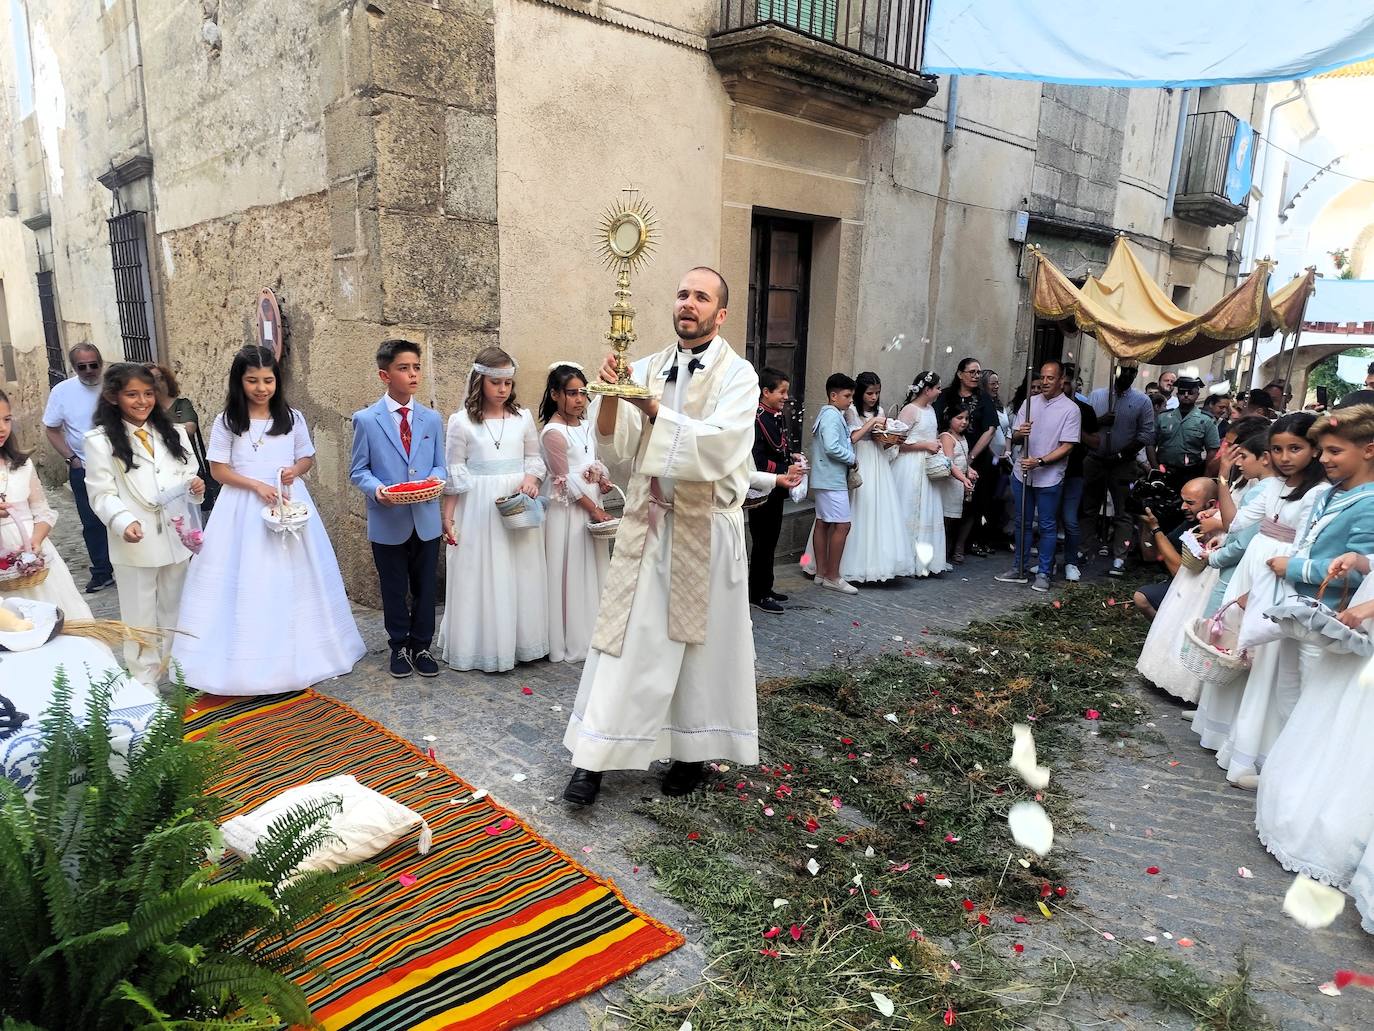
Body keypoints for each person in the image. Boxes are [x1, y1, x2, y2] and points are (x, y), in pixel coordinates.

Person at [562, 266, 759, 806]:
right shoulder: (646, 366)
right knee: (625, 642)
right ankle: (593, 757)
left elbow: (722, 447)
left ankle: (691, 752)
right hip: (651, 524)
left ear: (720, 314)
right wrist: (609, 391)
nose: (688, 304)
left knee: (701, 647)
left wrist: (653, 408)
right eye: (682, 294)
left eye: (701, 297)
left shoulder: (739, 376)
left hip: (707, 528)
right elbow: (618, 445)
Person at [172, 346, 364, 694]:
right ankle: (246, 658)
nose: (262, 388)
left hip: (287, 501)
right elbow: (218, 470)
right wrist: (255, 485)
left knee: (293, 574)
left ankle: (305, 652)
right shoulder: (227, 421)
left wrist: (294, 471)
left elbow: (306, 456)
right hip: (242, 508)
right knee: (249, 576)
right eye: (252, 381)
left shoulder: (292, 417)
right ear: (239, 382)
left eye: (268, 380)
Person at [1212, 412, 1328, 788]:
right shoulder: (1276, 485)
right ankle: (1241, 743)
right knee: (1253, 661)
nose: (1285, 456)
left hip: (1285, 579)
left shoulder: (1317, 493)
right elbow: (1241, 520)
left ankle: (1266, 755)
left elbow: (1305, 545)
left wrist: (1263, 584)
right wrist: (1224, 486)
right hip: (1261, 568)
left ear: (1314, 449)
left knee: (1276, 667)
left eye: (1295, 448)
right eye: (1277, 449)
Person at [83, 363, 204, 687]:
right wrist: (123, 521)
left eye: (148, 394)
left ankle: (181, 674)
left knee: (176, 608)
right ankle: (144, 680)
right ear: (113, 397)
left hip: (176, 535)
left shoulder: (174, 433)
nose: (142, 401)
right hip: (135, 539)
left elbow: (187, 472)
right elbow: (101, 492)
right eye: (132, 394)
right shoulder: (99, 441)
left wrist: (194, 487)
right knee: (139, 615)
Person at [437, 346, 548, 672]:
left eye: (508, 383)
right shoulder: (461, 423)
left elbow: (534, 458)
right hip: (479, 508)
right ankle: (483, 645)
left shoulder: (522, 418)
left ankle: (521, 642)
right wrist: (449, 518)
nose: (503, 390)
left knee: (520, 569)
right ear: (480, 381)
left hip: (516, 505)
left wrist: (530, 480)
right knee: (482, 571)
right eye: (496, 383)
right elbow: (455, 474)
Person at [349, 339, 447, 679]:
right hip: (387, 517)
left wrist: (432, 482)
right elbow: (358, 470)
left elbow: (440, 466)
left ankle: (422, 645)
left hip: (425, 518)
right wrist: (378, 491)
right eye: (404, 368)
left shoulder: (431, 419)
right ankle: (398, 646)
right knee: (393, 586)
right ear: (384, 375)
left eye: (416, 367)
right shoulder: (366, 420)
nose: (412, 374)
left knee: (425, 586)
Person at [1191, 428, 1273, 752]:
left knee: (1225, 635)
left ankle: (1218, 719)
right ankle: (1211, 716)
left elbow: (1238, 530)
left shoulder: (1262, 490)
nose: (1238, 462)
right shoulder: (1263, 487)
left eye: (1243, 456)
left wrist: (1216, 556)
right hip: (1248, 561)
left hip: (1246, 566)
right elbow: (1236, 527)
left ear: (1262, 458)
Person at [802, 372, 913, 583]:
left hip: (868, 463)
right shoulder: (842, 413)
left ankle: (828, 572)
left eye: (877, 393)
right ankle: (830, 574)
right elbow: (840, 443)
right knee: (840, 522)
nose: (873, 397)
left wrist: (890, 437)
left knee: (832, 519)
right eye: (869, 393)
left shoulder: (849, 412)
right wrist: (853, 457)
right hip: (847, 465)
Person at [540, 361, 613, 660]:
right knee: (569, 568)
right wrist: (594, 509)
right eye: (571, 393)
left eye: (582, 392)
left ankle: (593, 629)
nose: (579, 399)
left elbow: (590, 460)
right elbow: (563, 481)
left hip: (592, 500)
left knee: (591, 568)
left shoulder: (584, 426)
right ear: (556, 394)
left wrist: (602, 478)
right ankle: (568, 636)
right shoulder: (553, 433)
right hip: (569, 511)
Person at [0, 389, 92, 618]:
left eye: (6, 419)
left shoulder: (21, 465)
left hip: (31, 553)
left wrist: (36, 543)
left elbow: (42, 512)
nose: (2, 428)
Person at [1132, 477, 1220, 700]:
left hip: (1197, 585)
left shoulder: (1208, 524)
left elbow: (1179, 569)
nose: (1182, 507)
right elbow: (1150, 555)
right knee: (1141, 597)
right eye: (1182, 501)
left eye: (1189, 502)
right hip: (1182, 585)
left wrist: (1156, 529)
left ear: (1210, 505)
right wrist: (1147, 527)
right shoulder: (1186, 519)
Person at [997, 360, 1080, 592]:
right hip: (1022, 472)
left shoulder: (1070, 409)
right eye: (1042, 377)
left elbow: (1067, 446)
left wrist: (1041, 461)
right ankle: (1019, 568)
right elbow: (1013, 435)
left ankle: (1044, 572)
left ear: (1062, 380)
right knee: (1021, 522)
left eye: (1050, 378)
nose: (1044, 382)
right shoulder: (1029, 402)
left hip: (1049, 475)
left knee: (1046, 525)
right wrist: (1018, 433)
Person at [42, 344, 114, 593]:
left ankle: (130, 565)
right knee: (92, 521)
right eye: (82, 367)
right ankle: (103, 571)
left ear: (101, 362)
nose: (89, 371)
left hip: (119, 462)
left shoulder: (113, 385)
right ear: (74, 368)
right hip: (84, 466)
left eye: (94, 364)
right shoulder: (62, 392)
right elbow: (52, 429)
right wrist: (71, 458)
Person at [1085, 365, 1155, 578]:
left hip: (1123, 463)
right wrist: (1100, 421)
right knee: (1088, 508)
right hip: (1095, 459)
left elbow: (1146, 434)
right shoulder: (1096, 396)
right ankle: (1083, 550)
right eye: (1121, 371)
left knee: (1123, 512)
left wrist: (1122, 455)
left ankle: (1119, 557)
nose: (1125, 375)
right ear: (1113, 371)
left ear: (1135, 375)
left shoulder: (1143, 401)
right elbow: (1083, 425)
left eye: (1130, 372)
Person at [748, 368, 801, 614]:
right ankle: (757, 592)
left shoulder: (775, 415)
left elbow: (778, 447)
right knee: (763, 541)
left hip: (778, 486)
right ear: (765, 392)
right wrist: (784, 468)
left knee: (771, 539)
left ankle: (765, 586)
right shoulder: (757, 418)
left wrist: (791, 457)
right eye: (781, 391)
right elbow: (757, 460)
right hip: (764, 487)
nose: (785, 396)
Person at [935, 356, 1000, 559]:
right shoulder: (946, 395)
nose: (976, 376)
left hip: (976, 456)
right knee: (946, 501)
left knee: (971, 502)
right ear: (960, 374)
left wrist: (970, 457)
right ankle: (944, 545)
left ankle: (961, 545)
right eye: (972, 372)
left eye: (978, 372)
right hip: (948, 452)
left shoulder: (983, 399)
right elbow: (935, 422)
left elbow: (990, 429)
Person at [891, 371, 947, 577]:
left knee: (926, 511)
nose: (940, 391)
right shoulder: (910, 410)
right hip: (909, 466)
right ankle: (904, 559)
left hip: (927, 465)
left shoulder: (931, 410)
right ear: (927, 389)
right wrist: (925, 444)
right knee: (909, 508)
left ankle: (923, 561)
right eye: (938, 388)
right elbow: (897, 441)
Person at [807, 374, 859, 594]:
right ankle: (832, 576)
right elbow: (831, 447)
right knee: (843, 525)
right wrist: (852, 458)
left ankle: (821, 573)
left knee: (823, 523)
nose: (850, 401)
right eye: (847, 396)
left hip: (824, 477)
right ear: (834, 395)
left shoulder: (828, 413)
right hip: (831, 478)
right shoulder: (831, 415)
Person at [145, 362, 218, 512]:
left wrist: (158, 430)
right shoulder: (146, 410)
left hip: (184, 465)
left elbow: (189, 428)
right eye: (152, 380)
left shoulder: (181, 405)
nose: (157, 383)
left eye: (160, 378)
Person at [1057, 363, 1100, 582]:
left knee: (1070, 519)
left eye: (1067, 383)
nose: (1063, 387)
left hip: (1073, 471)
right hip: (1049, 471)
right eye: (1060, 382)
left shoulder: (1085, 410)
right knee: (1048, 520)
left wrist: (1076, 430)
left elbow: (1095, 441)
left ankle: (1071, 561)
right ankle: (1047, 562)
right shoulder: (1046, 406)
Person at [1155, 376, 1219, 490]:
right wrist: (1154, 468)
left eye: (1190, 392)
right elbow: (1150, 443)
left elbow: (1212, 452)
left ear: (1197, 395)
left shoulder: (1206, 420)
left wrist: (1206, 478)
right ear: (1177, 394)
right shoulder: (1163, 417)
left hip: (1191, 474)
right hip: (1163, 471)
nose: (1186, 395)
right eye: (1182, 392)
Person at [937, 405, 976, 563]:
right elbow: (949, 462)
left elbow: (963, 459)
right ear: (949, 418)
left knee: (964, 515)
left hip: (960, 481)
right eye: (959, 418)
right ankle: (944, 552)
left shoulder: (962, 437)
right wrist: (963, 478)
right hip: (951, 482)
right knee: (948, 517)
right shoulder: (947, 437)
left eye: (966, 418)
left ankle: (956, 548)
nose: (964, 422)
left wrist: (970, 469)